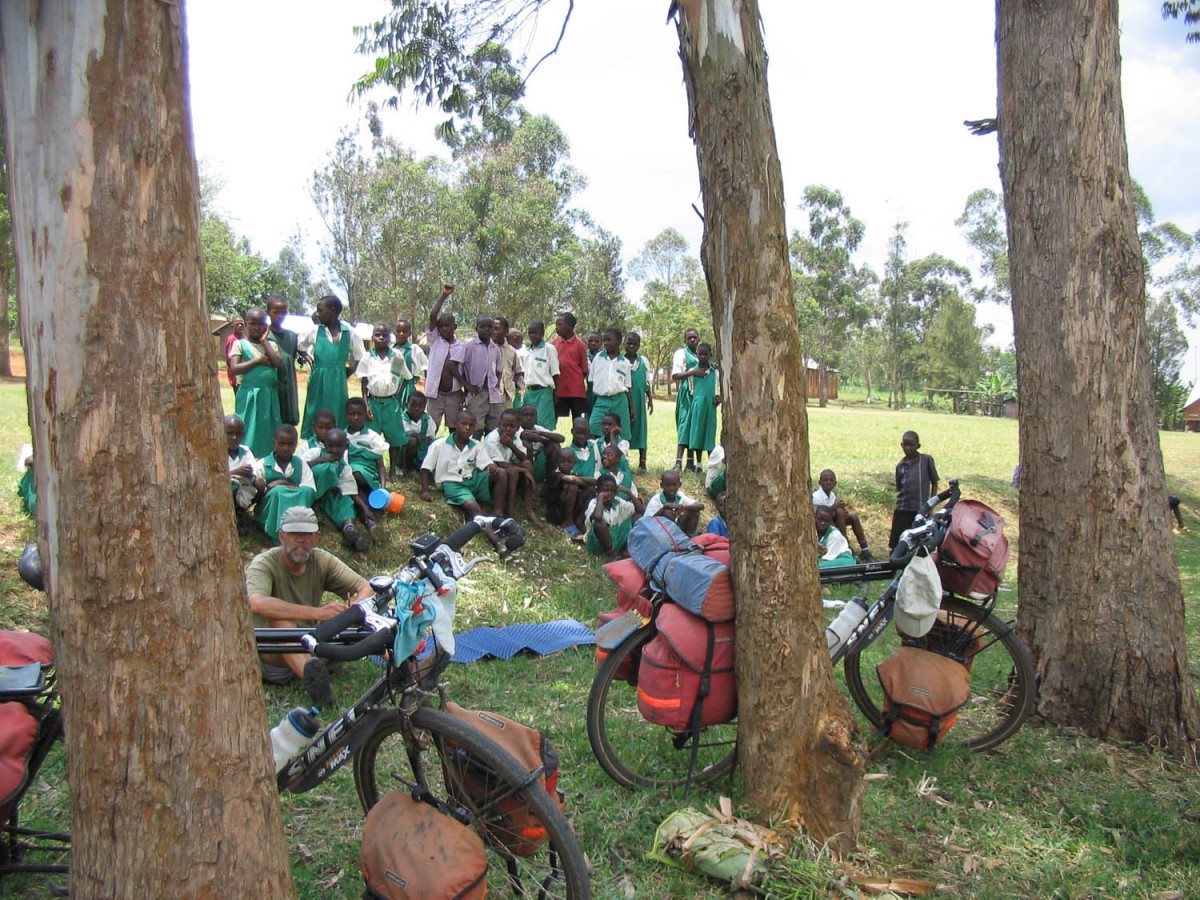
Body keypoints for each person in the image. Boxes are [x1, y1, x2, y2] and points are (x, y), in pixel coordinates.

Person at [246, 505, 375, 709]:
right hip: (273, 656)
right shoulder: (264, 563)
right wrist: (318, 613)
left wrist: (353, 610)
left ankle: (407, 666)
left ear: (317, 538)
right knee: (281, 624)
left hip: (311, 642)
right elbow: (257, 603)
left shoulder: (322, 560)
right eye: (294, 533)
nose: (301, 540)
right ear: (281, 537)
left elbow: (367, 586)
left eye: (306, 534)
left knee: (362, 612)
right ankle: (322, 694)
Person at [300, 413, 374, 550]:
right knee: (327, 468)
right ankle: (313, 504)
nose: (334, 450)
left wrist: (364, 508)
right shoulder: (315, 451)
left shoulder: (343, 464)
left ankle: (349, 529)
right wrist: (321, 460)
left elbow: (349, 488)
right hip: (311, 491)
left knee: (345, 501)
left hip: (329, 493)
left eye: (339, 447)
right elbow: (299, 467)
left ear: (345, 447)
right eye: (331, 447)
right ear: (326, 446)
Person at [300, 295, 365, 438]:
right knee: (315, 411)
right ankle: (314, 448)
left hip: (338, 382)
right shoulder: (315, 331)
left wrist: (350, 370)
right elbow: (300, 345)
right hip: (318, 380)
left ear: (333, 311)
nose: (317, 314)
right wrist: (307, 358)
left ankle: (336, 445)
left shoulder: (350, 333)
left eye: (320, 310)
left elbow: (361, 356)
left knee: (337, 412)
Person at [356, 322, 410, 475]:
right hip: (373, 401)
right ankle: (374, 469)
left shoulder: (396, 356)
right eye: (377, 335)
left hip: (391, 402)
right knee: (372, 438)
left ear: (389, 337)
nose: (381, 337)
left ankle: (392, 469)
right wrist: (365, 404)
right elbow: (364, 381)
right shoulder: (368, 357)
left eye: (384, 335)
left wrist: (398, 396)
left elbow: (406, 377)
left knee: (394, 438)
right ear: (373, 337)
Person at [230, 307, 283, 458]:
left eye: (260, 324)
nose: (256, 327)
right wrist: (258, 360)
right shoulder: (240, 344)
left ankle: (266, 459)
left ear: (266, 326)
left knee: (268, 427)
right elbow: (234, 369)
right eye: (252, 323)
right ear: (246, 324)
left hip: (268, 395)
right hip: (249, 394)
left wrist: (264, 341)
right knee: (248, 426)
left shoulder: (270, 345)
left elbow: (278, 362)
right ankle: (245, 458)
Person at [419, 411, 491, 520]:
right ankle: (491, 534)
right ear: (455, 424)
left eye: (471, 425)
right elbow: (425, 469)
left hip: (471, 479)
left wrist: (492, 468)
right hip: (452, 482)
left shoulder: (476, 445)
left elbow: (486, 464)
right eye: (464, 424)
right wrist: (425, 491)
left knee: (501, 474)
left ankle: (499, 512)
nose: (467, 427)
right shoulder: (439, 445)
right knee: (473, 506)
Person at [256, 424, 317, 542]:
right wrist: (285, 489)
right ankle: (281, 533)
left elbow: (310, 491)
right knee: (278, 491)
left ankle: (299, 529)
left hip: (297, 510)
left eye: (290, 445)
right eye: (281, 444)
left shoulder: (301, 464)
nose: (286, 448)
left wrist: (284, 483)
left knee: (305, 490)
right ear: (274, 443)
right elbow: (258, 493)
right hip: (270, 512)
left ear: (296, 445)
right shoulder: (263, 464)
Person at [450, 315, 504, 437]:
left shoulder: (495, 349)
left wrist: (497, 383)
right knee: (476, 429)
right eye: (483, 327)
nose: (486, 329)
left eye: (490, 327)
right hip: (477, 394)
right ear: (476, 329)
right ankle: (475, 454)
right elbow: (452, 364)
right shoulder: (469, 346)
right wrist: (466, 385)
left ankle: (489, 455)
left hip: (494, 395)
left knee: (494, 431)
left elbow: (499, 370)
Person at [480, 408, 537, 520]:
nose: (507, 429)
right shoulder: (493, 438)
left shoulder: (515, 437)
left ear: (517, 427)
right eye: (504, 425)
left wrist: (512, 445)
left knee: (527, 464)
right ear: (499, 424)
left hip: (507, 469)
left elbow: (523, 457)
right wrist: (524, 471)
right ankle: (510, 511)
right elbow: (499, 463)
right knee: (514, 470)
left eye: (512, 426)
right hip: (491, 472)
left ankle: (528, 508)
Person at [424, 284, 464, 432]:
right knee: (431, 429)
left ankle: (451, 455)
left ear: (455, 327)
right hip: (435, 395)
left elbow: (462, 371)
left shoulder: (461, 347)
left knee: (454, 429)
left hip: (454, 395)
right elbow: (433, 316)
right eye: (441, 326)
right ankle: (429, 454)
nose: (443, 329)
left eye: (447, 326)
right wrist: (444, 295)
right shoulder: (435, 341)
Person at [890, 431, 939, 550]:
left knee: (918, 540)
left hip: (920, 509)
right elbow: (900, 488)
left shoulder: (926, 460)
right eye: (905, 445)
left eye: (911, 445)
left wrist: (931, 506)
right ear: (901, 445)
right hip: (903, 508)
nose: (908, 448)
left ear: (918, 446)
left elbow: (934, 482)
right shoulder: (900, 466)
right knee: (897, 540)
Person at [813, 468, 872, 561]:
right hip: (822, 523)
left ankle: (865, 549)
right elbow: (821, 515)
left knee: (853, 516)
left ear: (835, 483)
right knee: (839, 512)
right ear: (820, 482)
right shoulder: (816, 496)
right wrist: (835, 506)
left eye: (831, 480)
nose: (828, 482)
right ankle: (845, 543)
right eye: (825, 480)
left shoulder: (832, 495)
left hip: (834, 520)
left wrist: (842, 508)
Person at [267, 295, 306, 426]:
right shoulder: (264, 335)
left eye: (283, 312)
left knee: (288, 417)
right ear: (268, 313)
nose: (279, 316)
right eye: (275, 312)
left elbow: (294, 355)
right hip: (272, 382)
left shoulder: (291, 336)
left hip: (288, 382)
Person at [680, 342, 721, 470]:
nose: (702, 357)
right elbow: (691, 390)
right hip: (697, 405)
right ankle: (698, 464)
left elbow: (718, 387)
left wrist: (719, 398)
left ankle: (711, 463)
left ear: (710, 355)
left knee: (709, 432)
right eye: (700, 354)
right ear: (697, 355)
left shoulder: (715, 371)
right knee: (698, 433)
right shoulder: (692, 372)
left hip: (710, 405)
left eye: (705, 354)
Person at [587, 327, 633, 439]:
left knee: (622, 431)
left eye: (609, 340)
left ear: (618, 342)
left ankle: (621, 455)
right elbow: (591, 381)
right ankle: (596, 455)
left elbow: (627, 387)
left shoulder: (625, 363)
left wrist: (631, 407)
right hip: (601, 400)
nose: (606, 343)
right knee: (594, 427)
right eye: (605, 340)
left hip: (620, 400)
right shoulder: (598, 358)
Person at [225, 414, 264, 536]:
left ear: (243, 434)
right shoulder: (217, 452)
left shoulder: (245, 451)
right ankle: (233, 516)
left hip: (243, 486)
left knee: (261, 485)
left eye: (238, 434)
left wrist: (251, 474)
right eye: (229, 434)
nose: (234, 437)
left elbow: (253, 470)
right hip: (225, 488)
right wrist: (236, 472)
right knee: (232, 486)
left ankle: (242, 514)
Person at [584, 473, 638, 559]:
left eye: (612, 491)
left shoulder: (618, 501)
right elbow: (597, 517)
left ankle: (625, 549)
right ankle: (610, 552)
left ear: (616, 491)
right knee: (599, 523)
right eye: (605, 490)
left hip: (616, 538)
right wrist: (601, 498)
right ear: (598, 491)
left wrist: (629, 493)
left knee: (637, 517)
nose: (609, 493)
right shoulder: (594, 503)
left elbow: (641, 510)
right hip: (598, 544)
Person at [551, 312, 589, 429]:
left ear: (569, 326)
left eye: (559, 324)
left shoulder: (580, 345)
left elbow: (584, 369)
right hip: (558, 390)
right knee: (554, 416)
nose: (556, 327)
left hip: (575, 391)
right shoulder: (553, 344)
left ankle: (578, 443)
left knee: (577, 418)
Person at [345, 397, 390, 494]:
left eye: (360, 414)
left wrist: (383, 488)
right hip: (346, 473)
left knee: (355, 473)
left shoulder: (372, 437)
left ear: (366, 414)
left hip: (366, 473)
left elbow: (381, 466)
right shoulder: (342, 436)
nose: (356, 418)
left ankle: (371, 491)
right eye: (352, 414)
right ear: (346, 415)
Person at [671, 327, 701, 471]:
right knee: (684, 426)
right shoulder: (681, 354)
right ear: (685, 340)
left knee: (693, 427)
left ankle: (690, 462)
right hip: (686, 394)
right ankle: (678, 462)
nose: (693, 340)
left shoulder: (699, 355)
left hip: (697, 395)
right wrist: (692, 372)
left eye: (695, 337)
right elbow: (675, 375)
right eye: (689, 338)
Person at [624, 332, 653, 472]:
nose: (631, 346)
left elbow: (646, 382)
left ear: (639, 345)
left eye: (635, 344)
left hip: (639, 401)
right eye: (629, 343)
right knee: (625, 430)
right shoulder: (620, 361)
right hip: (624, 401)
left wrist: (650, 400)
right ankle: (624, 460)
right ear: (624, 343)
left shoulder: (643, 361)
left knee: (641, 429)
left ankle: (642, 463)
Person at [522, 320, 560, 429]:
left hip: (543, 392)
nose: (532, 335)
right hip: (529, 392)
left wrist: (556, 394)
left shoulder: (549, 349)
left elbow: (555, 373)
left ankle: (547, 445)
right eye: (530, 333)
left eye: (536, 332)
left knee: (544, 422)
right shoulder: (527, 351)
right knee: (528, 423)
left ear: (542, 333)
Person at [643, 468, 704, 535]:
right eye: (667, 485)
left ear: (679, 485)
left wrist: (683, 507)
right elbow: (646, 523)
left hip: (676, 530)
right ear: (661, 485)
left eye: (674, 485)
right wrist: (664, 508)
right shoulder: (656, 500)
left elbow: (701, 506)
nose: (671, 488)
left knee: (694, 512)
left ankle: (689, 537)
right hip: (659, 533)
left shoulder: (679, 496)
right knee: (668, 512)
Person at [544, 450, 591, 533]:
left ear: (574, 463)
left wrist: (596, 482)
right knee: (573, 486)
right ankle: (567, 522)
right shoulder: (555, 474)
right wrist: (582, 481)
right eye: (562, 461)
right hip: (556, 512)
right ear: (557, 462)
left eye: (569, 461)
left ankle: (579, 521)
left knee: (590, 490)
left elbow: (577, 480)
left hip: (572, 510)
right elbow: (572, 479)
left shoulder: (574, 474)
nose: (566, 464)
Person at [516, 403, 564, 483]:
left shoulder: (538, 428)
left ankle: (550, 480)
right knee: (528, 445)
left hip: (538, 463)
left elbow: (562, 438)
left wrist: (541, 433)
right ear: (519, 417)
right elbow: (529, 437)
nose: (529, 418)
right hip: (520, 464)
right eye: (525, 415)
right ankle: (525, 483)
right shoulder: (516, 429)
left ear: (536, 417)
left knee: (554, 445)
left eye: (532, 415)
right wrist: (545, 440)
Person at [392, 317, 427, 410]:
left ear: (409, 334)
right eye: (398, 331)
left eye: (405, 331)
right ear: (394, 332)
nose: (401, 334)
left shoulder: (414, 349)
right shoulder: (390, 350)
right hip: (392, 387)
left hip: (408, 388)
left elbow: (426, 367)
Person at [400, 391, 438, 474]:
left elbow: (431, 437)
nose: (417, 408)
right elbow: (399, 437)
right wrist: (416, 435)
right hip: (404, 453)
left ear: (425, 407)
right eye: (413, 405)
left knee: (439, 442)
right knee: (412, 441)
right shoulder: (402, 419)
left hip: (423, 450)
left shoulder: (427, 419)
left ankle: (425, 467)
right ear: (407, 405)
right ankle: (406, 468)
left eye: (420, 406)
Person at [493, 316, 524, 412]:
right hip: (491, 394)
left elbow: (518, 372)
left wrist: (520, 390)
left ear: (506, 331)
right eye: (492, 328)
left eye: (497, 329)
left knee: (507, 422)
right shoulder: (488, 349)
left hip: (507, 395)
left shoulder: (512, 351)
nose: (493, 331)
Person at [224, 314, 246, 394]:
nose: (240, 325)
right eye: (237, 324)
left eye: (242, 324)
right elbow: (230, 358)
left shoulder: (245, 338)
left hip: (245, 374)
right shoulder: (231, 339)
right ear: (232, 326)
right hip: (235, 375)